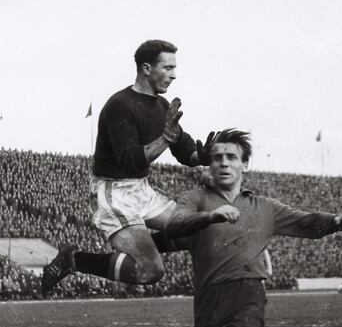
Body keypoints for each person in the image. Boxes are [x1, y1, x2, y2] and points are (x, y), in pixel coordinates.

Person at [163, 129, 342, 327]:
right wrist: (210, 216)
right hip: (206, 301)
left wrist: (337, 220)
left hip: (246, 295)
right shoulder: (194, 199)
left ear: (244, 164)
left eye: (231, 157)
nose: (223, 162)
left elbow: (306, 221)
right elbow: (173, 224)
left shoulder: (264, 207)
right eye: (217, 157)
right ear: (209, 163)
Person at [41, 39, 214, 294]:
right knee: (151, 270)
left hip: (141, 190)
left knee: (196, 232)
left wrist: (204, 156)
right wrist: (165, 137)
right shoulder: (120, 105)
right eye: (167, 68)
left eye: (174, 68)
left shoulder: (161, 105)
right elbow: (131, 161)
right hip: (115, 193)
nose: (174, 75)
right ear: (146, 69)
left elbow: (184, 149)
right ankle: (74, 260)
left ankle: (142, 242)